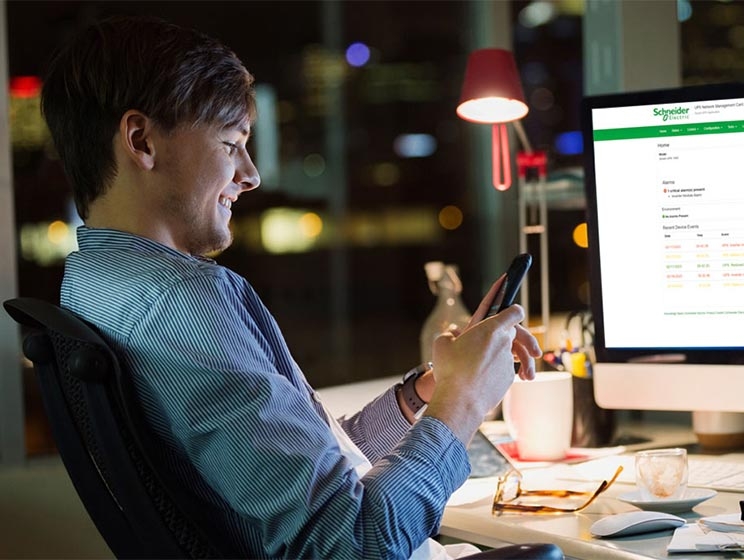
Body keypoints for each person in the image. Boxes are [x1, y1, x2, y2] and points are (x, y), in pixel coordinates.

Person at [40, 15, 541, 560]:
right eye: (231, 143)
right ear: (141, 141)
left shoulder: (94, 288)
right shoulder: (182, 304)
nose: (251, 175)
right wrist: (463, 401)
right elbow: (353, 545)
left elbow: (311, 477)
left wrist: (425, 392)